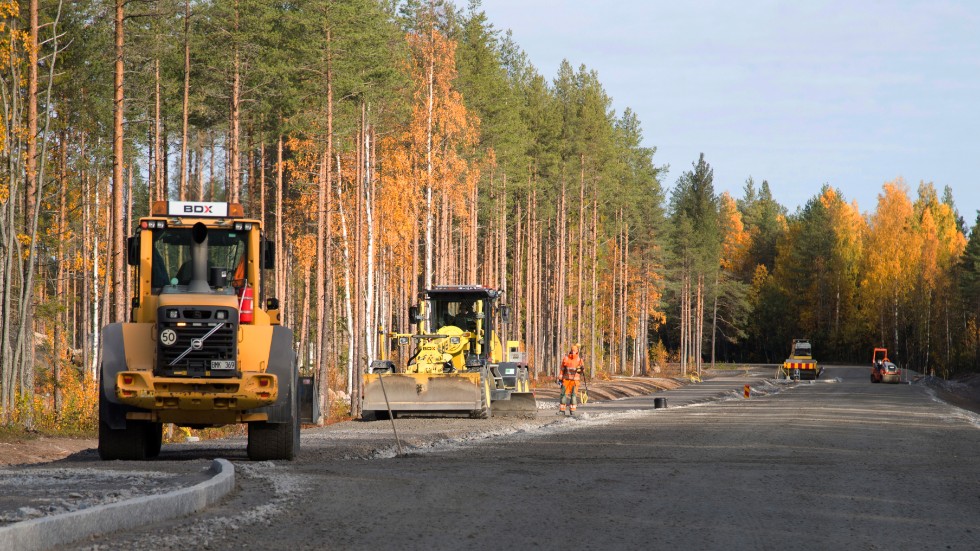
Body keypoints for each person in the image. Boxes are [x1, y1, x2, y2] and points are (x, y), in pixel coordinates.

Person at [557, 344, 584, 416]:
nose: (573, 351)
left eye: (574, 350)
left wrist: (581, 369)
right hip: (566, 380)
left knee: (574, 396)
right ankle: (562, 410)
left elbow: (580, 372)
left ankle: (572, 410)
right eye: (572, 350)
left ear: (577, 351)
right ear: (571, 350)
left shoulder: (579, 360)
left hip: (575, 381)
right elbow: (562, 369)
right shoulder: (566, 359)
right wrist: (560, 379)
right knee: (563, 395)